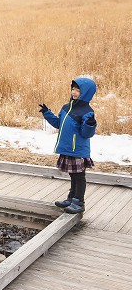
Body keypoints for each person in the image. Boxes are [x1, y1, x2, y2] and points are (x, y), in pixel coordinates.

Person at [39, 76, 97, 214]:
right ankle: (71, 198)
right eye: (73, 89)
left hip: (78, 150)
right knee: (73, 175)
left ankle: (79, 202)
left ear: (86, 93)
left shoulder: (87, 111)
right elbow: (58, 124)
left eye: (78, 90)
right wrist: (47, 113)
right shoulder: (66, 107)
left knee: (79, 176)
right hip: (67, 149)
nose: (74, 92)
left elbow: (86, 134)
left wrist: (90, 125)